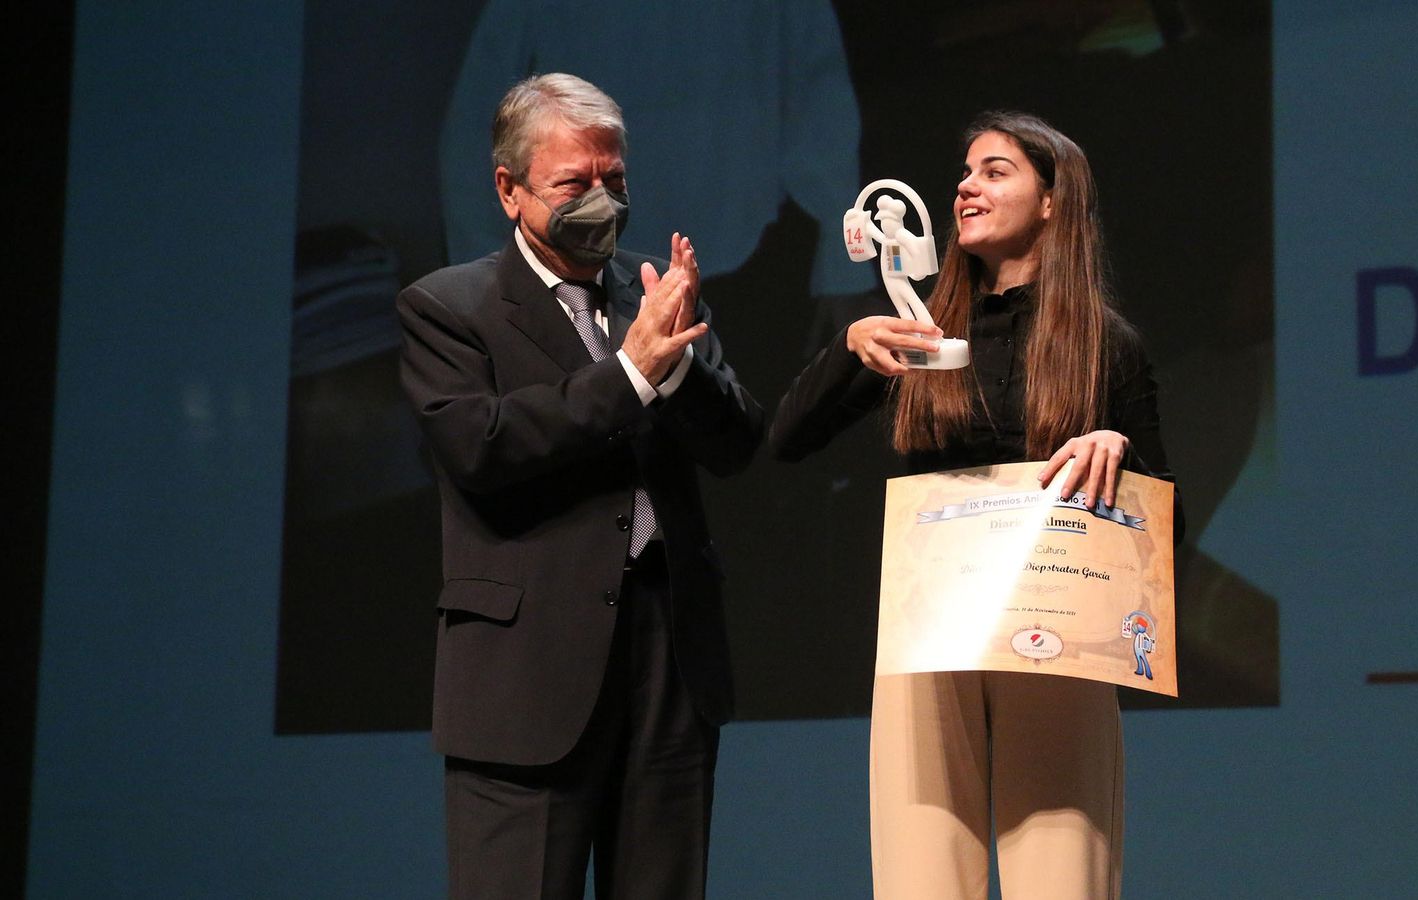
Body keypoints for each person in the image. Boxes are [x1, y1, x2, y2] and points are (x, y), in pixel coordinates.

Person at [769, 111, 1181, 899]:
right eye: (964, 172)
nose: (966, 186)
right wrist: (851, 350)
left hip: (1060, 632)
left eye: (995, 171)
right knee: (920, 876)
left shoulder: (1104, 344)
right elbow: (786, 440)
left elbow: (1169, 539)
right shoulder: (921, 334)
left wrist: (1117, 458)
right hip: (931, 634)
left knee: (1064, 877)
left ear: (1054, 200)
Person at [397, 73, 764, 900]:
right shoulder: (449, 308)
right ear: (510, 191)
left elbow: (738, 441)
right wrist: (634, 372)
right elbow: (482, 447)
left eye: (615, 180)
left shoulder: (652, 293)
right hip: (526, 679)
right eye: (574, 183)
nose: (602, 201)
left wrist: (674, 374)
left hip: (669, 660)